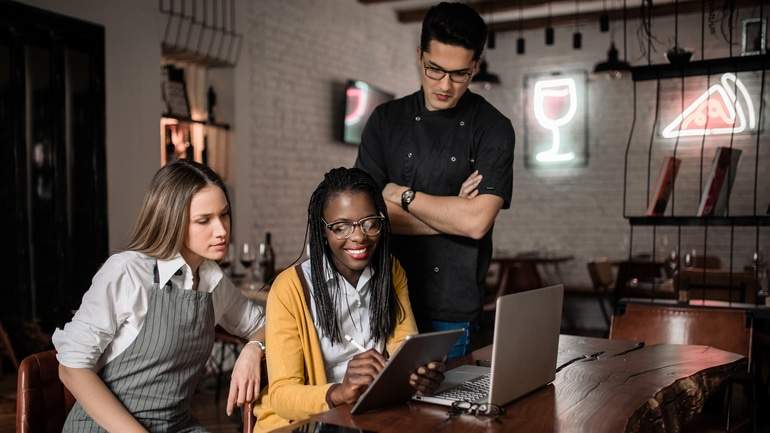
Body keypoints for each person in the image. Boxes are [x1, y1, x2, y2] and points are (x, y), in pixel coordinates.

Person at [53, 160, 266, 433]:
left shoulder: (213, 280)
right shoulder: (128, 272)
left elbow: (265, 325)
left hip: (175, 426)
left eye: (224, 215)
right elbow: (71, 368)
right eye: (204, 220)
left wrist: (252, 349)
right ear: (172, 220)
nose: (222, 231)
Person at [355, 1, 515, 359]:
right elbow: (365, 220)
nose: (445, 85)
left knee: (444, 414)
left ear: (475, 67)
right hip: (381, 301)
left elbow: (476, 223)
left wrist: (401, 195)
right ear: (419, 56)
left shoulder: (493, 128)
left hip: (451, 309)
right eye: (434, 70)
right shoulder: (385, 121)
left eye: (460, 74)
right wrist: (450, 213)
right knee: (378, 414)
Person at [254, 167, 444, 432]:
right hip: (311, 423)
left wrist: (417, 374)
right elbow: (282, 396)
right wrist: (340, 392)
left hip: (372, 413)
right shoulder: (290, 287)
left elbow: (404, 344)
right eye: (340, 227)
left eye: (370, 223)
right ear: (323, 231)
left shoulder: (391, 270)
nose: (358, 236)